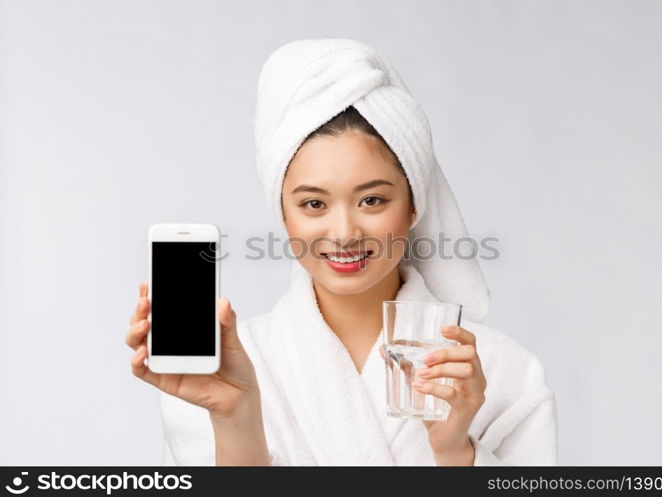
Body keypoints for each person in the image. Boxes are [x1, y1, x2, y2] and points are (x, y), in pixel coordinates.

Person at [125, 39, 558, 466]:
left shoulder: (504, 373)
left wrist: (455, 455)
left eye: (372, 201)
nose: (344, 233)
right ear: (284, 214)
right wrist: (236, 418)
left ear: (413, 206)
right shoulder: (222, 371)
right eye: (313, 204)